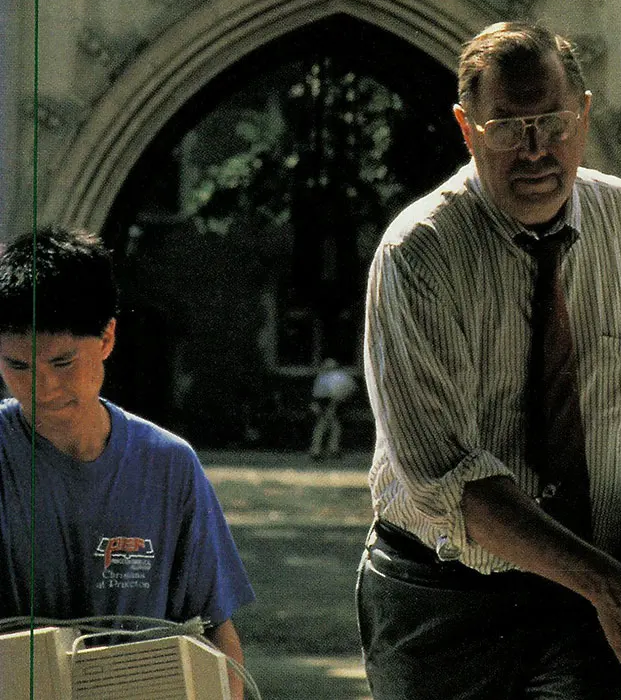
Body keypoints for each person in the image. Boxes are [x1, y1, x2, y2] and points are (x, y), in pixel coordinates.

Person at [355, 21, 621, 699]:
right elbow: (451, 481)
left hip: (595, 597)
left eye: (552, 121)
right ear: (466, 127)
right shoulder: (418, 257)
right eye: (507, 127)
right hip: (446, 602)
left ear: (583, 112)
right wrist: (615, 588)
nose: (535, 149)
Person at [0, 227, 255, 699]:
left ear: (107, 337)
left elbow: (217, 630)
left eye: (61, 363)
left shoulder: (169, 465)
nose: (42, 390)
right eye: (17, 366)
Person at [309, 357, 356, 460]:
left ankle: (326, 450)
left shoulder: (334, 377)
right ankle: (323, 450)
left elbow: (347, 390)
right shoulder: (326, 377)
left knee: (330, 427)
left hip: (334, 403)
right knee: (328, 427)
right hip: (328, 403)